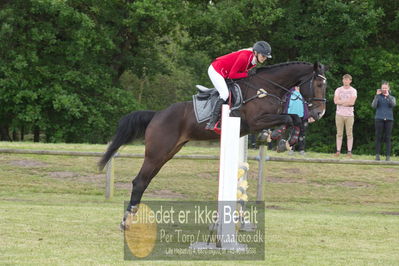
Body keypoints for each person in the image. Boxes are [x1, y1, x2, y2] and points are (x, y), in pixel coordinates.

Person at [205, 41, 272, 130]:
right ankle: (212, 122)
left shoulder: (254, 61)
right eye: (263, 56)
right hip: (216, 70)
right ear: (255, 53)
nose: (264, 58)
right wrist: (247, 74)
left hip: (225, 73)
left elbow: (241, 72)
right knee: (224, 94)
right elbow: (232, 75)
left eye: (266, 57)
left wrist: (246, 74)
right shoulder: (244, 57)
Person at [334, 74, 357, 158]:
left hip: (349, 115)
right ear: (342, 80)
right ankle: (338, 151)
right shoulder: (338, 90)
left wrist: (342, 101)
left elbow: (352, 103)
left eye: (347, 80)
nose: (346, 81)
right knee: (339, 133)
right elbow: (335, 101)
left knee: (349, 133)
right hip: (339, 114)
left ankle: (349, 151)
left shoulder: (353, 90)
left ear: (350, 81)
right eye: (344, 79)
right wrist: (346, 102)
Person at [372, 81, 396, 161]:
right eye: (383, 88)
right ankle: (377, 155)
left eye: (386, 88)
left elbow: (393, 105)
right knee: (378, 136)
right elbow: (374, 106)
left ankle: (388, 156)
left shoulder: (392, 97)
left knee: (388, 137)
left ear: (388, 88)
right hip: (379, 118)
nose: (384, 89)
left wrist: (388, 96)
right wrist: (376, 95)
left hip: (389, 119)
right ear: (381, 89)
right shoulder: (378, 97)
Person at [285, 86, 310, 155]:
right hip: (292, 115)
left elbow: (309, 103)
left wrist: (310, 115)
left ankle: (301, 150)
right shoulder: (289, 90)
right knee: (292, 133)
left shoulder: (304, 91)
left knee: (302, 133)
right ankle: (291, 149)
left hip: (303, 115)